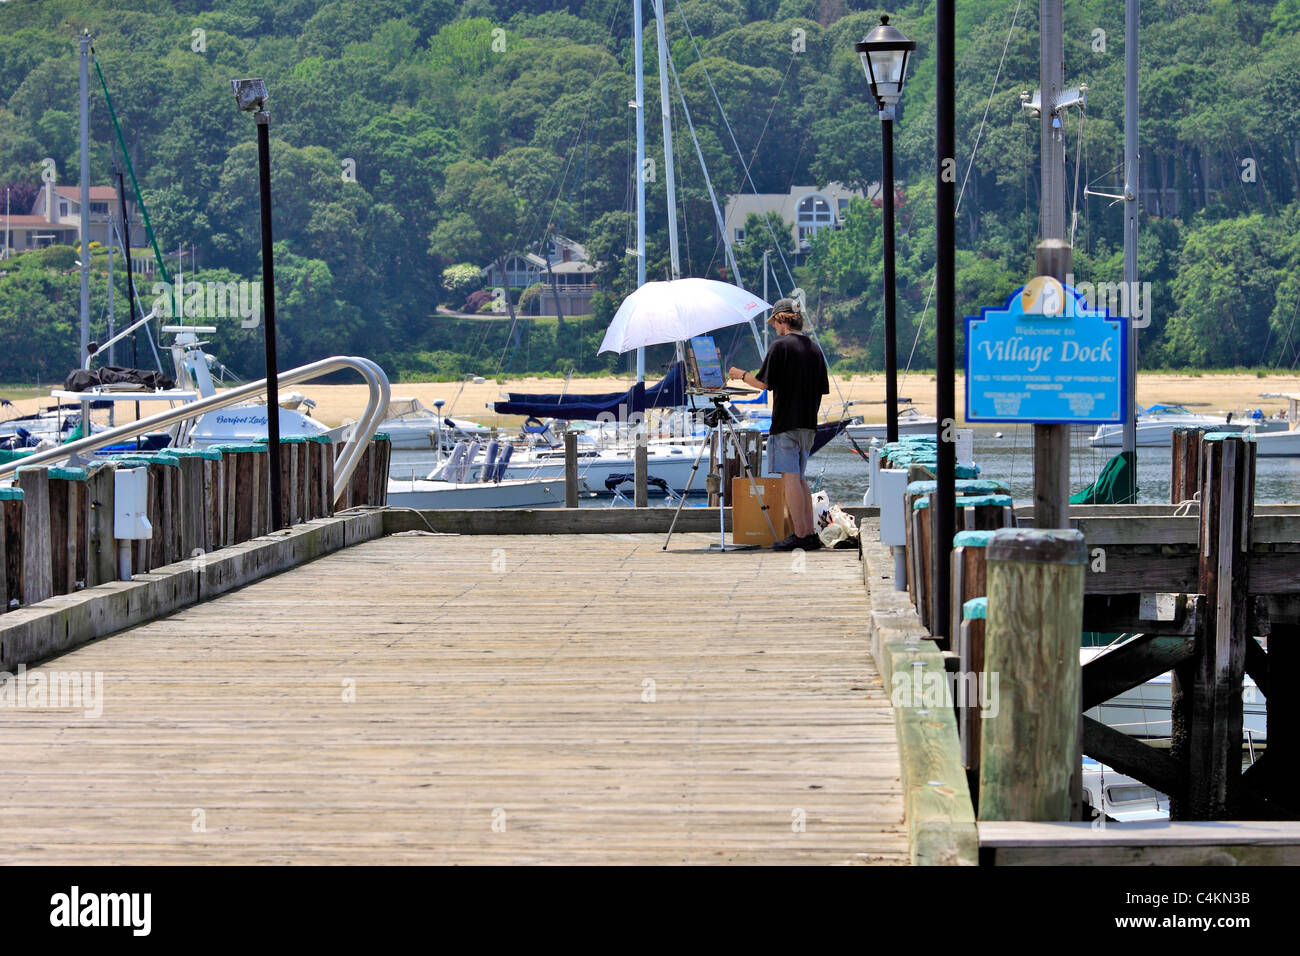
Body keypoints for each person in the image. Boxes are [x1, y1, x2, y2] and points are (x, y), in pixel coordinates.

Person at [727, 297, 829, 551]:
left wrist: (739, 375)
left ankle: (802, 535)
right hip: (809, 424)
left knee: (790, 479)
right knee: (801, 479)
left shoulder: (780, 347)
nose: (774, 327)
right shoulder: (815, 349)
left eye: (775, 322)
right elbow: (821, 389)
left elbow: (762, 384)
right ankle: (810, 533)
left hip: (786, 424)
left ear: (783, 320)